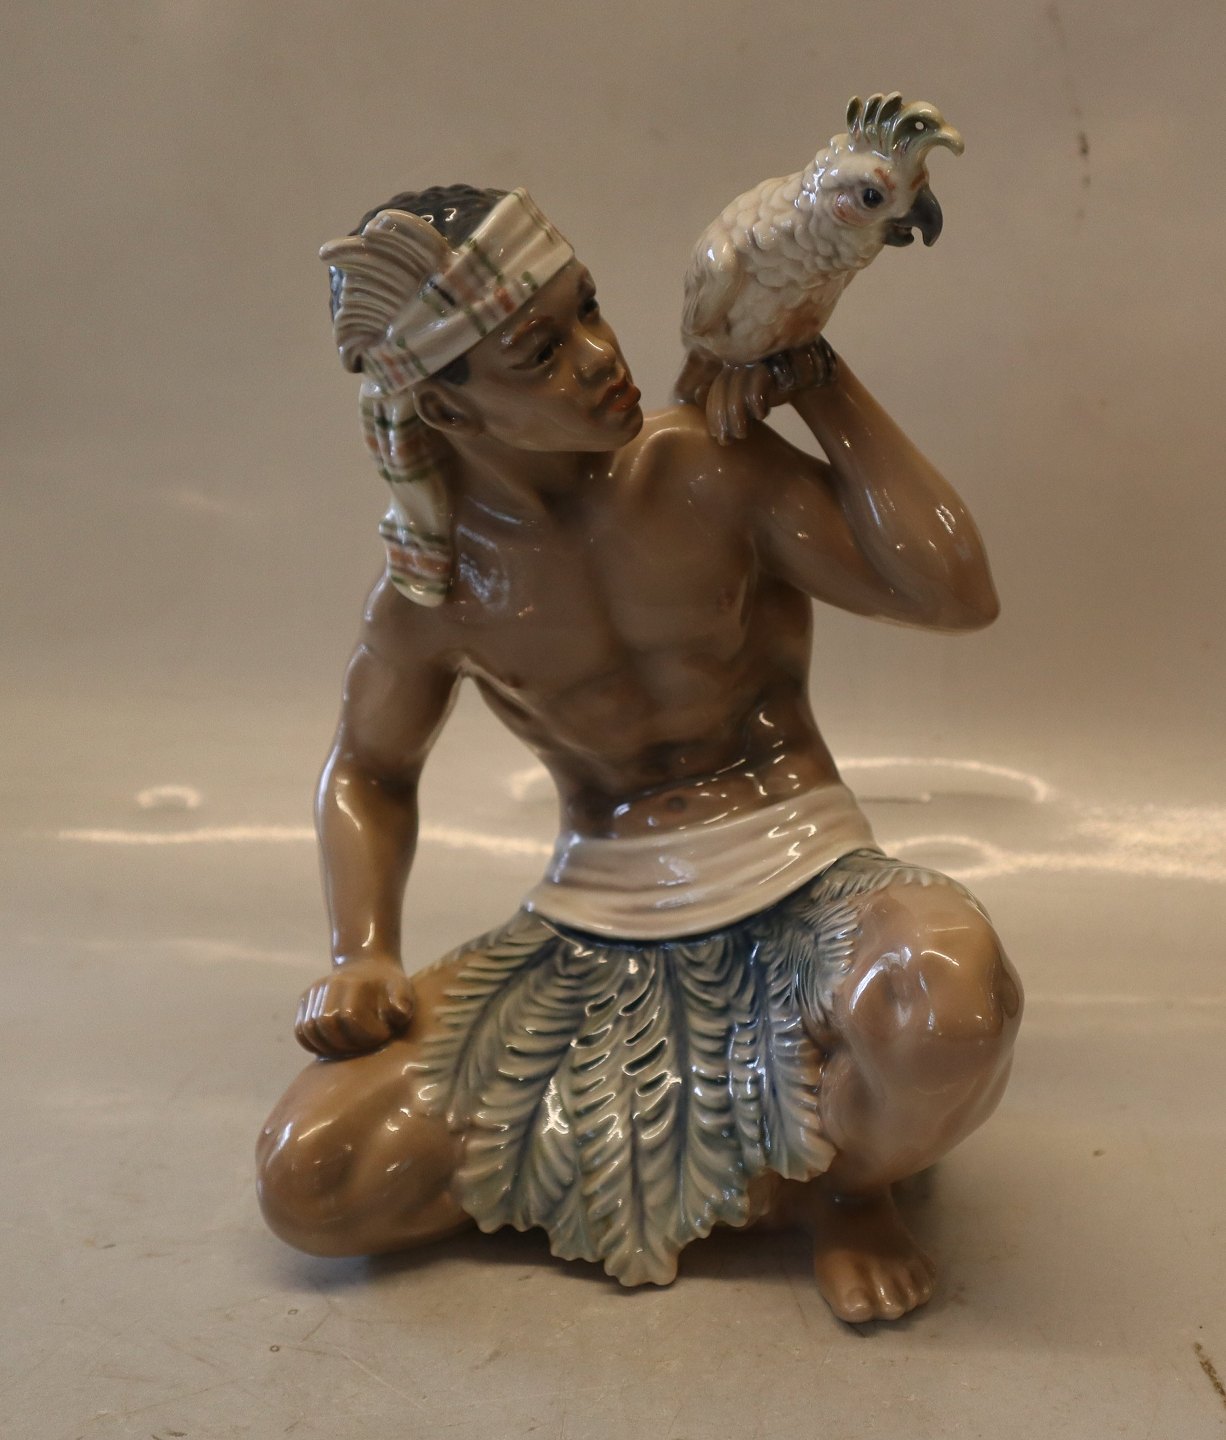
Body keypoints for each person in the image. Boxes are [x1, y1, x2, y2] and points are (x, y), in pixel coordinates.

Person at [256, 184, 1022, 1324]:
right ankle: (767, 1150)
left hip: (807, 870)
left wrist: (816, 378)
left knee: (947, 1005)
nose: (599, 356)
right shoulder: (435, 586)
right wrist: (362, 951)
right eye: (540, 351)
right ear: (447, 405)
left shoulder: (706, 469)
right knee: (313, 1178)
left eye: (588, 307)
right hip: (595, 922)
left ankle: (851, 1183)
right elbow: (369, 769)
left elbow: (952, 594)